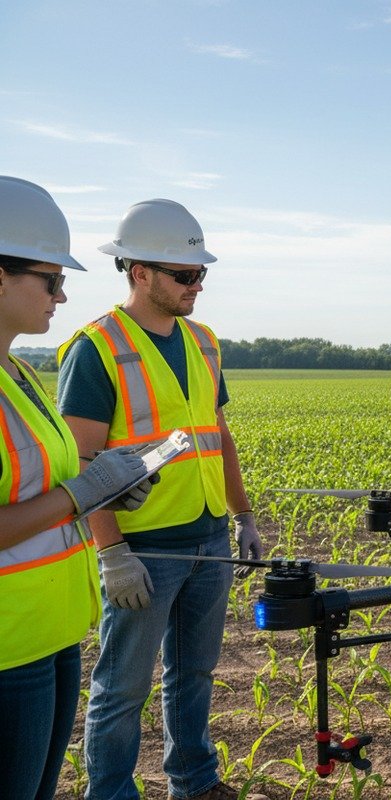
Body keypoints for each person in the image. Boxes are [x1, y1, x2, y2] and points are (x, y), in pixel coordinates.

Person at [56, 199, 266, 800]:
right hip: (143, 547)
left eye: (201, 273)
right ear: (137, 271)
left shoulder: (204, 343)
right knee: (122, 688)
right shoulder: (96, 348)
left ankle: (194, 781)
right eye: (184, 274)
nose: (196, 285)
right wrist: (112, 553)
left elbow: (217, 436)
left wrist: (244, 517)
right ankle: (112, 792)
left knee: (194, 675)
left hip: (206, 536)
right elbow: (83, 466)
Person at [0, 176, 156, 800]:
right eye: (51, 279)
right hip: (10, 643)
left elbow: (42, 485)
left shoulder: (16, 368)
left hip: (55, 628)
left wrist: (102, 490)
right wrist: (81, 492)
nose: (63, 296)